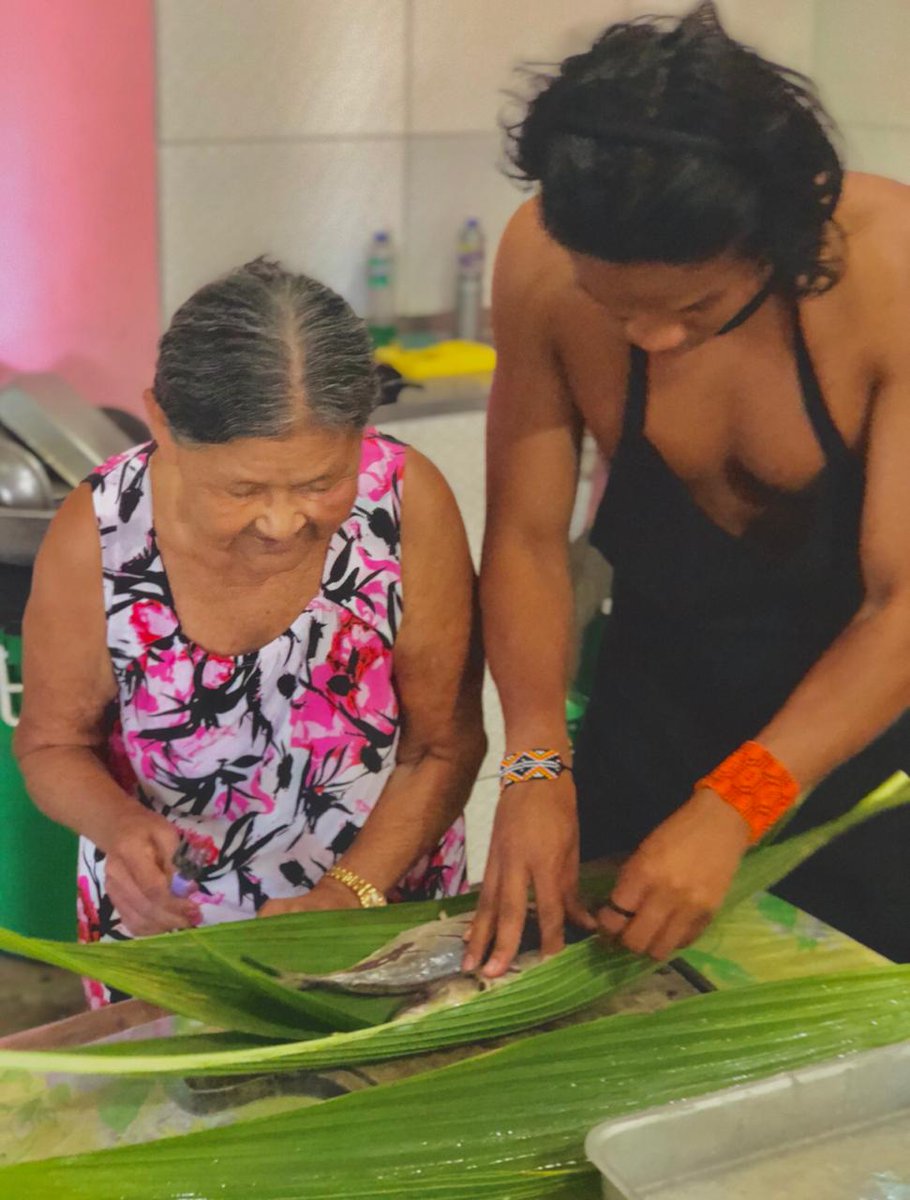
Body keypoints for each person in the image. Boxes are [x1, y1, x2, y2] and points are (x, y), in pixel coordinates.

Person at [465, 0, 910, 977]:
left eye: (693, 309)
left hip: (865, 753)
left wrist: (739, 802)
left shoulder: (891, 273)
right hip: (649, 724)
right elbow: (528, 540)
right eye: (610, 304)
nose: (648, 339)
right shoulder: (539, 263)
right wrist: (536, 760)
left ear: (786, 239)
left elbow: (899, 605)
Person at [14, 258, 484, 1004]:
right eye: (243, 488)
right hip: (176, 934)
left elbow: (443, 746)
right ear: (162, 423)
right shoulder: (102, 531)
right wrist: (120, 828)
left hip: (377, 911)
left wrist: (349, 892)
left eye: (320, 483)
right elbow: (50, 743)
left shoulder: (405, 501)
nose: (282, 521)